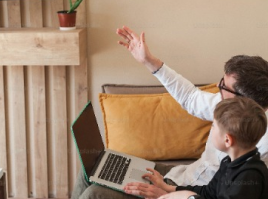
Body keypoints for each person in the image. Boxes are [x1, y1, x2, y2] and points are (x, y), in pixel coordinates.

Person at [71, 26, 268, 199]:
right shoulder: (228, 108)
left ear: (244, 101)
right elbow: (190, 97)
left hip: (181, 193)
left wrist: (172, 195)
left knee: (94, 194)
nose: (218, 86)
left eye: (224, 85)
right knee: (94, 167)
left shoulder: (256, 154)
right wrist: (148, 61)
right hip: (178, 178)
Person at [128, 97, 268, 199]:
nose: (210, 130)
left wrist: (188, 197)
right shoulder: (230, 162)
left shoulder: (249, 177)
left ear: (227, 140)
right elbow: (209, 192)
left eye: (213, 126)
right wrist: (169, 188)